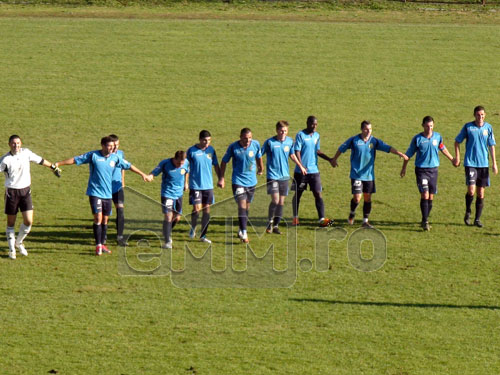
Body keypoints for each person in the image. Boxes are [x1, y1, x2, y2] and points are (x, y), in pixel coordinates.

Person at [56, 136, 151, 255]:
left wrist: (143, 174)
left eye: (113, 146)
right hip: (95, 192)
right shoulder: (93, 155)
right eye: (109, 146)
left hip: (108, 194)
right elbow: (75, 160)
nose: (112, 148)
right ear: (102, 145)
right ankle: (98, 245)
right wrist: (59, 163)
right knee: (98, 218)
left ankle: (102, 244)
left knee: (105, 220)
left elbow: (129, 166)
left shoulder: (115, 158)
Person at [331, 120, 408, 228]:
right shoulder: (354, 140)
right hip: (356, 174)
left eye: (370, 129)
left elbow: (387, 147)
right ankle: (352, 212)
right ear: (362, 129)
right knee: (357, 198)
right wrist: (334, 159)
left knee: (367, 198)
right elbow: (341, 148)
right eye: (366, 129)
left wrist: (399, 153)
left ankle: (365, 221)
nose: (368, 131)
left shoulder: (374, 141)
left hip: (369, 176)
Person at [0, 135, 61, 259]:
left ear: (21, 143)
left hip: (25, 192)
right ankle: (12, 250)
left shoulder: (26, 153)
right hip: (11, 193)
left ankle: (19, 242)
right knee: (11, 223)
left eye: (17, 143)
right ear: (9, 144)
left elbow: (40, 160)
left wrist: (53, 167)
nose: (16, 146)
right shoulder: (5, 160)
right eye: (13, 143)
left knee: (28, 221)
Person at [400, 116, 456, 231]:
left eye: (431, 126)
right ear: (423, 126)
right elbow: (408, 155)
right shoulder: (418, 139)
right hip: (421, 170)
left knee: (431, 196)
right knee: (425, 194)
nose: (429, 128)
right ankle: (425, 221)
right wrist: (404, 168)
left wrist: (452, 159)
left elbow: (443, 148)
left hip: (434, 170)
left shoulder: (437, 137)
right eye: (427, 126)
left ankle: (424, 218)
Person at [455, 105, 497, 227]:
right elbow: (457, 141)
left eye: (482, 115)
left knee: (481, 193)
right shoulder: (468, 127)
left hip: (484, 164)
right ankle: (468, 212)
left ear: (485, 115)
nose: (480, 117)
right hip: (470, 163)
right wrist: (457, 157)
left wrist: (494, 163)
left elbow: (491, 146)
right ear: (474, 115)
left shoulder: (488, 128)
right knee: (471, 190)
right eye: (478, 115)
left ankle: (477, 219)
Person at [218, 128, 263, 244]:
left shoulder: (256, 144)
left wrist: (261, 168)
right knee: (242, 205)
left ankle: (240, 229)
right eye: (245, 138)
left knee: (246, 207)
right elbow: (224, 162)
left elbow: (259, 156)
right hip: (238, 181)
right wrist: (221, 178)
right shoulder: (233, 147)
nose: (248, 140)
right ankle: (244, 232)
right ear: (240, 137)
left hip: (252, 181)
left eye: (249, 138)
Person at [261, 120, 306, 234]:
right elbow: (259, 155)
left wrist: (300, 166)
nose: (283, 133)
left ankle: (276, 225)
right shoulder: (270, 142)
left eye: (285, 131)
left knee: (281, 202)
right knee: (275, 200)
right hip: (272, 176)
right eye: (281, 130)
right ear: (276, 130)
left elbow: (292, 154)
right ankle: (269, 222)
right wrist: (259, 167)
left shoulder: (290, 141)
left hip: (285, 176)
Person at [291, 115, 335, 227]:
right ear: (307, 123)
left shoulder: (317, 135)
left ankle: (322, 219)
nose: (314, 126)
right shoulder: (300, 135)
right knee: (298, 194)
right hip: (301, 172)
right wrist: (301, 166)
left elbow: (317, 151)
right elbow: (297, 151)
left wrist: (329, 159)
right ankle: (295, 218)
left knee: (318, 193)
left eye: (316, 124)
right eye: (312, 124)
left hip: (314, 171)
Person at [148, 151, 189, 249]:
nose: (180, 165)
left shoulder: (186, 163)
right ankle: (167, 241)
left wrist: (186, 183)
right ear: (174, 159)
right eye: (178, 163)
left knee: (177, 218)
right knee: (168, 216)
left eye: (182, 163)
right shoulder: (165, 163)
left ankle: (166, 231)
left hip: (179, 194)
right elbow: (155, 171)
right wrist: (151, 176)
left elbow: (186, 171)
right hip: (167, 194)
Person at [186, 130, 221, 244]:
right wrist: (185, 182)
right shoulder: (191, 151)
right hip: (195, 185)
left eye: (209, 140)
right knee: (196, 210)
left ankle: (203, 235)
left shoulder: (211, 150)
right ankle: (193, 227)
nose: (207, 143)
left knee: (206, 210)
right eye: (205, 140)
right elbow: (186, 168)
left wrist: (221, 178)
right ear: (200, 139)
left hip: (208, 185)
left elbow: (216, 165)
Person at [109, 134, 128, 246]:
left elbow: (123, 167)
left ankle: (120, 237)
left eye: (117, 145)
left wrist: (123, 180)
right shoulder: (104, 155)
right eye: (114, 145)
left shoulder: (120, 153)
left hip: (117, 186)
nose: (116, 147)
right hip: (105, 187)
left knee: (120, 210)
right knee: (104, 215)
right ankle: (103, 236)